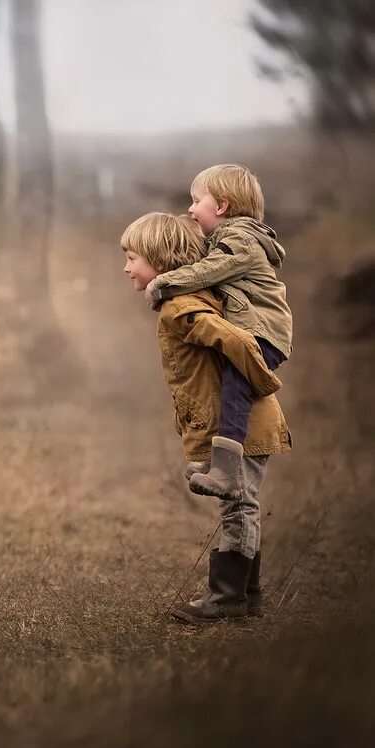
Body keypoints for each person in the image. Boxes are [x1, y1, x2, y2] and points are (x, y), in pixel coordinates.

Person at [121, 212, 292, 623]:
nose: (126, 267)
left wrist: (260, 376)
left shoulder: (180, 308)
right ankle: (244, 596)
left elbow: (233, 339)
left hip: (243, 426)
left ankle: (228, 598)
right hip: (237, 425)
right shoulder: (181, 304)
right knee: (241, 504)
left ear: (160, 261)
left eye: (132, 258)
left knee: (237, 507)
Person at [144, 164, 292, 501]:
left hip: (262, 333)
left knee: (235, 386)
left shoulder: (238, 240)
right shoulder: (228, 240)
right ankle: (215, 458)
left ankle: (225, 471)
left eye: (197, 201)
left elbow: (210, 270)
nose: (191, 209)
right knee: (222, 386)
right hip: (254, 329)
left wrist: (163, 284)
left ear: (222, 206)